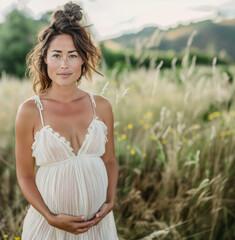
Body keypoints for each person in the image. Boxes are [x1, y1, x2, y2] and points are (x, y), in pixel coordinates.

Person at [15, 1, 119, 239]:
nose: (64, 64)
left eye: (72, 55)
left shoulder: (101, 106)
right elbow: (25, 175)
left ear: (83, 60)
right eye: (57, 55)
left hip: (98, 227)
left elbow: (110, 160)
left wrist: (111, 199)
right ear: (45, 59)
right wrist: (49, 217)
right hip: (48, 227)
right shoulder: (30, 111)